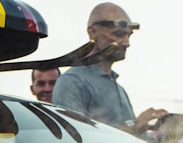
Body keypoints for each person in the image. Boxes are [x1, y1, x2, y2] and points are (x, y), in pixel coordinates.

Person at [52, 3, 167, 135]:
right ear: (93, 32)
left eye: (128, 36)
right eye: (118, 34)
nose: (126, 43)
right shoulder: (73, 82)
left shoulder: (118, 88)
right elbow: (77, 139)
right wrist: (135, 128)